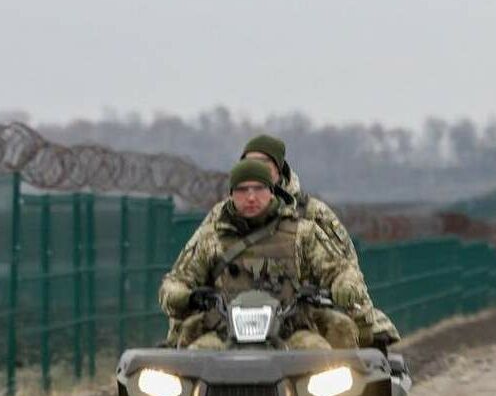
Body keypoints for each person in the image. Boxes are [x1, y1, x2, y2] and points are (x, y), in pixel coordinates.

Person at [159, 159, 368, 350]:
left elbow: (342, 270)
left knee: (318, 357)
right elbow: (176, 281)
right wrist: (183, 296)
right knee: (196, 358)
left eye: (259, 189)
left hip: (291, 332)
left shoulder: (303, 233)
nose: (251, 197)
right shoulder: (211, 237)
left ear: (272, 191)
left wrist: (345, 286)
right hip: (222, 333)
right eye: (242, 190)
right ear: (231, 194)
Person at [238, 134, 401, 347]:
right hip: (240, 315)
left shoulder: (312, 214)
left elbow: (345, 267)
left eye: (263, 163)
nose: (255, 169)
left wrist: (346, 295)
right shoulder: (227, 215)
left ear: (279, 168)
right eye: (248, 163)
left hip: (304, 313)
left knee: (343, 335)